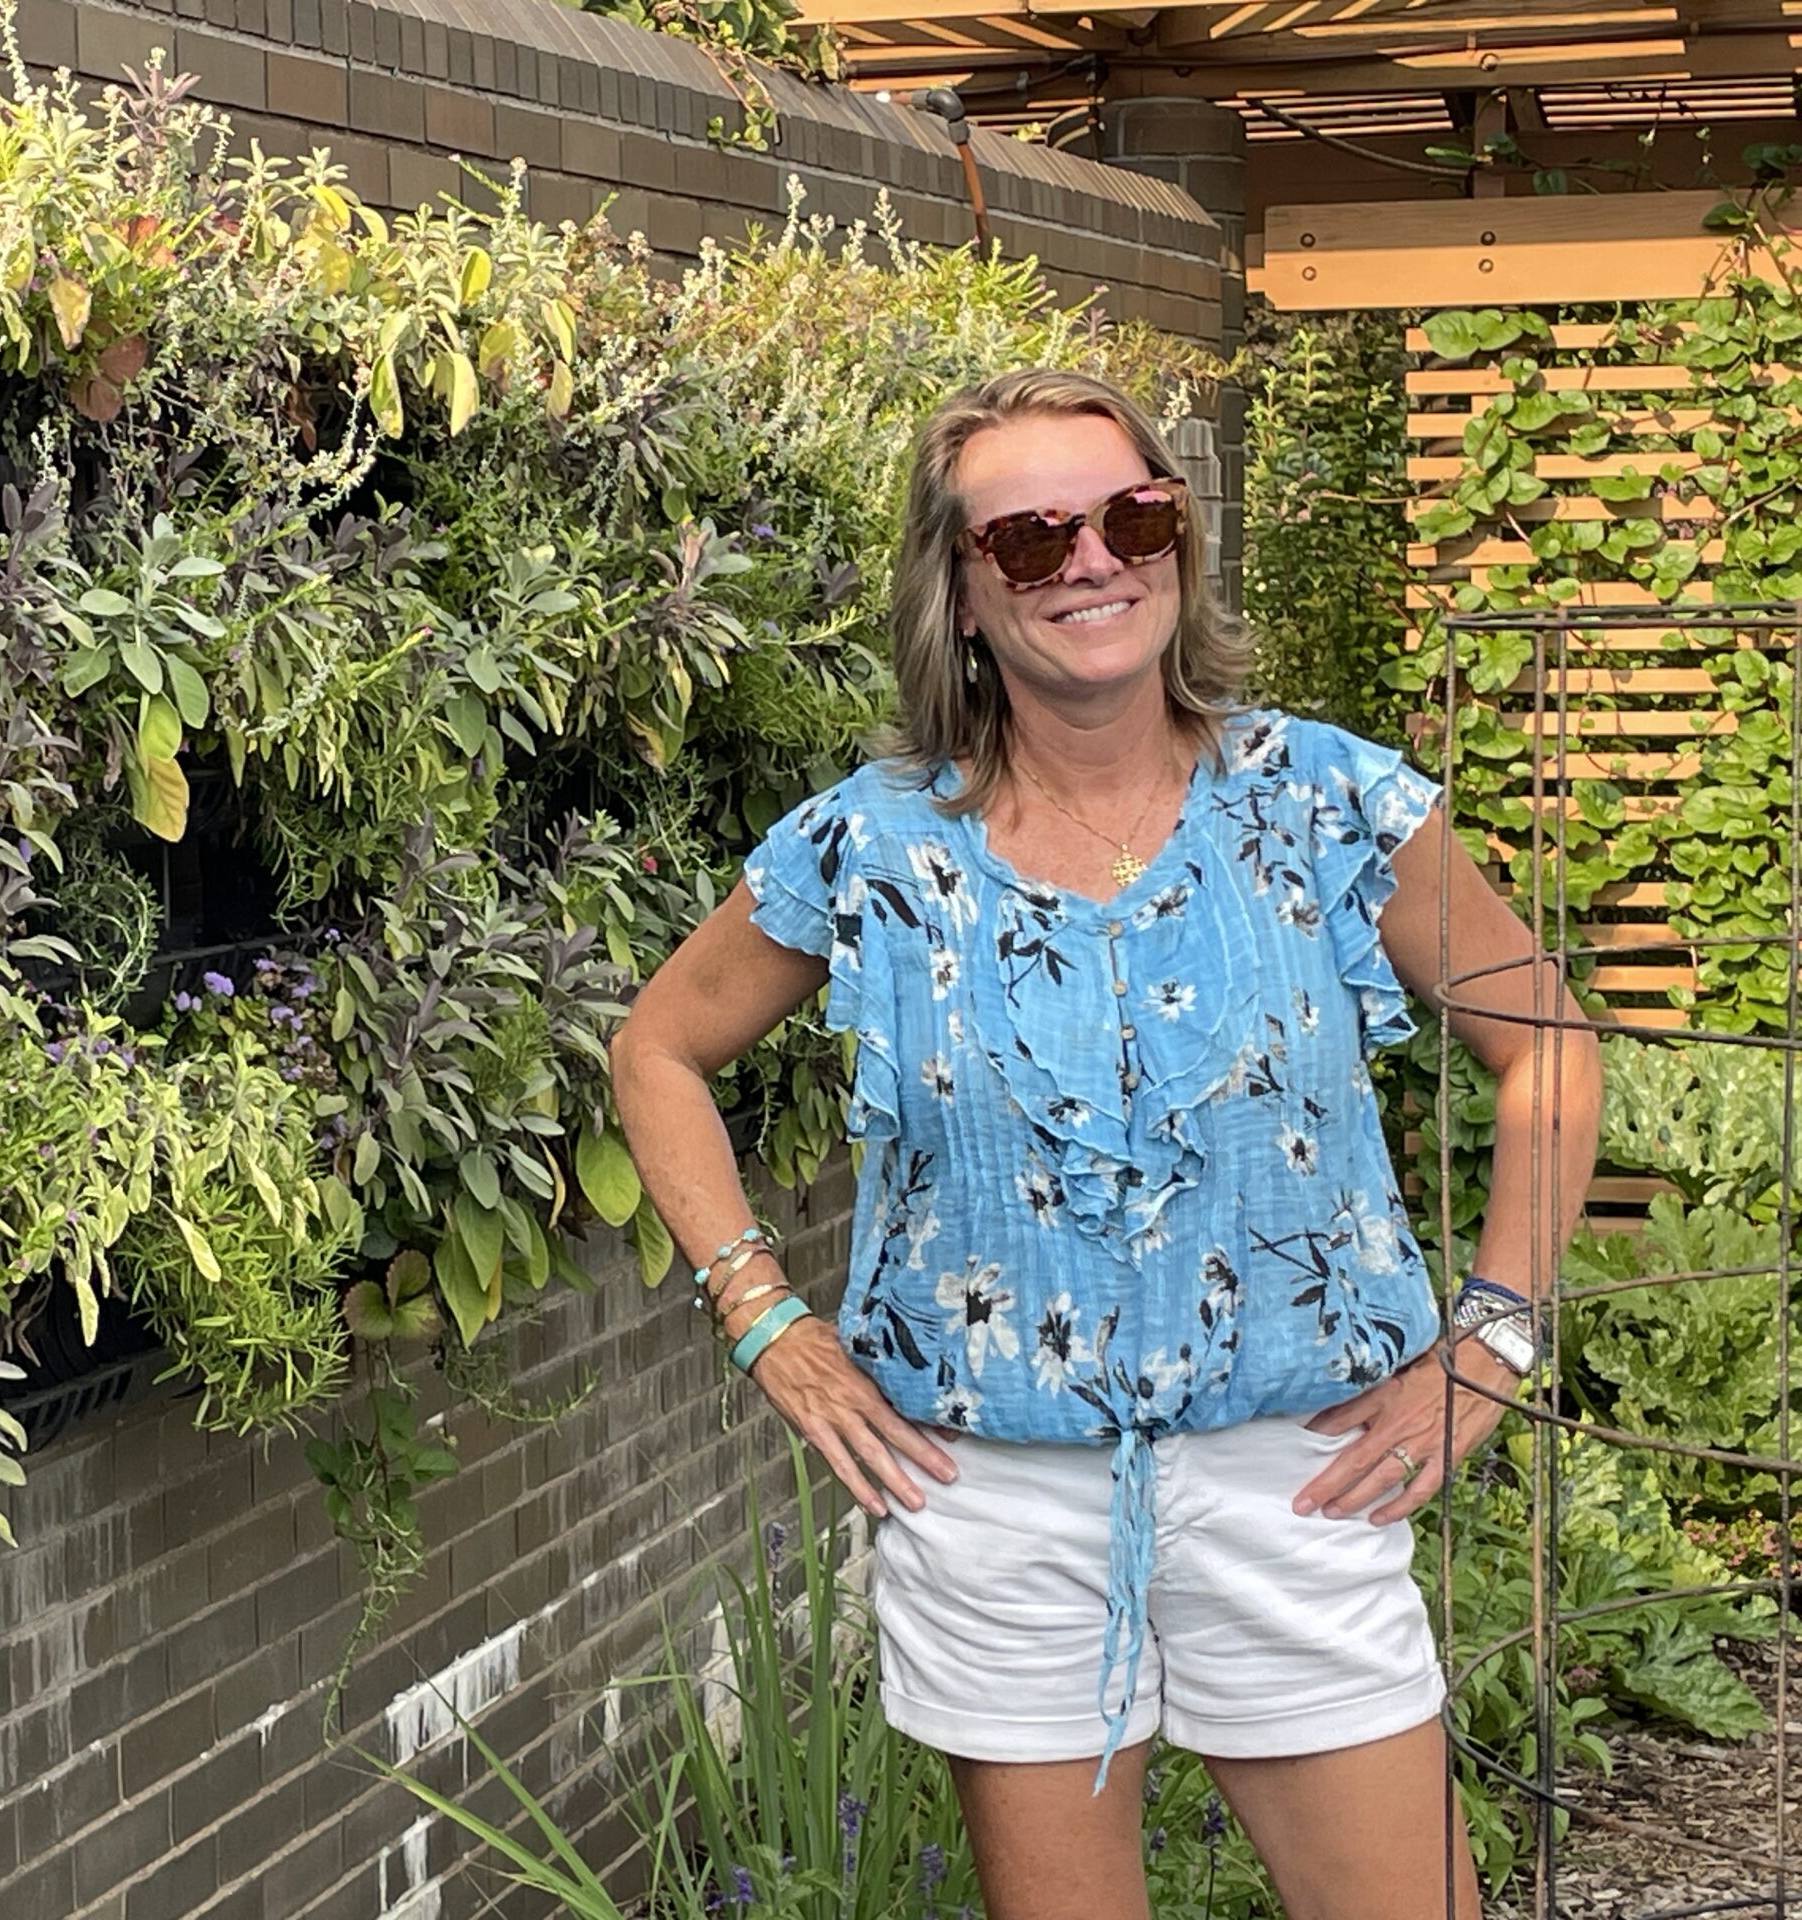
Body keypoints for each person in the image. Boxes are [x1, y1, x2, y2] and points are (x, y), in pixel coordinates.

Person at [607, 369, 1603, 1920]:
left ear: (1179, 543)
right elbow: (656, 1048)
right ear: (962, 595)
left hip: (1308, 1481)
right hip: (993, 1501)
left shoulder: (1332, 803)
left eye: (1132, 513)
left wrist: (1496, 1339)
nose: (1091, 559)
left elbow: (1545, 1043)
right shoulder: (875, 844)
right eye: (1028, 538)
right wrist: (763, 1318)